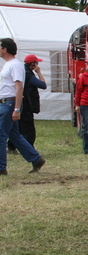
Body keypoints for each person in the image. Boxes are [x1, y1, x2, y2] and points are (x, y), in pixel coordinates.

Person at [0, 38, 46, 175]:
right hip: (6, 103)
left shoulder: (15, 65)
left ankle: (1, 168)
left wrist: (17, 109)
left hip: (9, 104)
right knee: (14, 135)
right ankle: (36, 159)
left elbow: (19, 87)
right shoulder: (8, 64)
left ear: (5, 49)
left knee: (1, 136)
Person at [7, 54, 46, 151]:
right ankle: (29, 149)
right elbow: (43, 85)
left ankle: (11, 146)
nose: (37, 65)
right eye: (36, 63)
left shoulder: (21, 72)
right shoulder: (29, 75)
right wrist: (39, 72)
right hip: (27, 105)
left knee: (18, 127)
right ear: (33, 64)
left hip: (19, 103)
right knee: (29, 129)